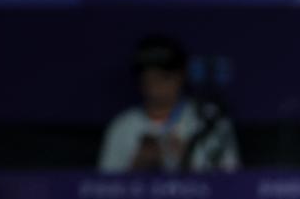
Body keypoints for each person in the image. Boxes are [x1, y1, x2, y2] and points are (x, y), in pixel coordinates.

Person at [98, 35, 240, 174]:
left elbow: (231, 182)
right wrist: (137, 167)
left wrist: (188, 158)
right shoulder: (123, 126)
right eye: (149, 78)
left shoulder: (209, 121)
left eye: (164, 77)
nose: (156, 86)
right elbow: (99, 189)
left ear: (181, 76)